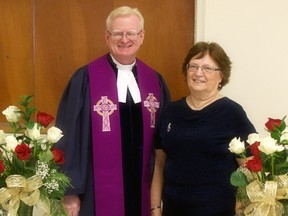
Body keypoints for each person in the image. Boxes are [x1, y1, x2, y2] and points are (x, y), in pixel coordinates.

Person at [55, 6, 170, 216]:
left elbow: (164, 142)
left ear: (141, 36)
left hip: (145, 190)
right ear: (107, 37)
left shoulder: (155, 81)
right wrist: (70, 192)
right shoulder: (85, 79)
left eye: (131, 33)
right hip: (95, 192)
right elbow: (69, 136)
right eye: (117, 33)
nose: (124, 39)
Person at [150, 42, 256, 216]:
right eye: (193, 66)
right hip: (173, 211)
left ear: (221, 75)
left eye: (207, 68)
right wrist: (155, 208)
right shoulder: (170, 111)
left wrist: (241, 210)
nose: (198, 73)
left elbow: (250, 171)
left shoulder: (232, 113)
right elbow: (159, 165)